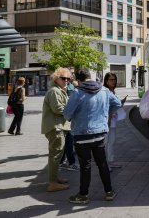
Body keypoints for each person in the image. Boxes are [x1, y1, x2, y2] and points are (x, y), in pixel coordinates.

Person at [64, 68, 121, 204]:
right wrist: (105, 114)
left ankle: (83, 195)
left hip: (81, 135)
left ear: (78, 79)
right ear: (90, 76)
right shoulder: (104, 90)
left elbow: (67, 114)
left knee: (85, 166)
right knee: (102, 164)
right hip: (100, 133)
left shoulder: (77, 93)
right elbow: (117, 104)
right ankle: (109, 192)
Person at [41, 68, 72, 192]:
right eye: (63, 78)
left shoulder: (59, 90)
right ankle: (52, 183)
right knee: (56, 154)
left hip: (58, 126)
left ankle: (53, 178)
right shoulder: (54, 91)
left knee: (57, 155)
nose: (66, 81)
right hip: (56, 127)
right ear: (56, 78)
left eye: (68, 79)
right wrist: (73, 110)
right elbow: (57, 108)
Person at [103, 72, 127, 171]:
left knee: (111, 142)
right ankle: (105, 164)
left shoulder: (112, 91)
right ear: (106, 81)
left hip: (112, 122)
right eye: (111, 80)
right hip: (106, 122)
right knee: (106, 142)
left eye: (114, 80)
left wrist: (120, 103)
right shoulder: (105, 92)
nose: (113, 82)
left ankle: (110, 161)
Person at [59, 68, 79, 171]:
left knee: (67, 143)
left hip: (67, 120)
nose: (67, 79)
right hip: (65, 120)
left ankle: (62, 161)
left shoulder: (70, 86)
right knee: (68, 143)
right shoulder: (62, 89)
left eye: (69, 77)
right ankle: (70, 162)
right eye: (64, 78)